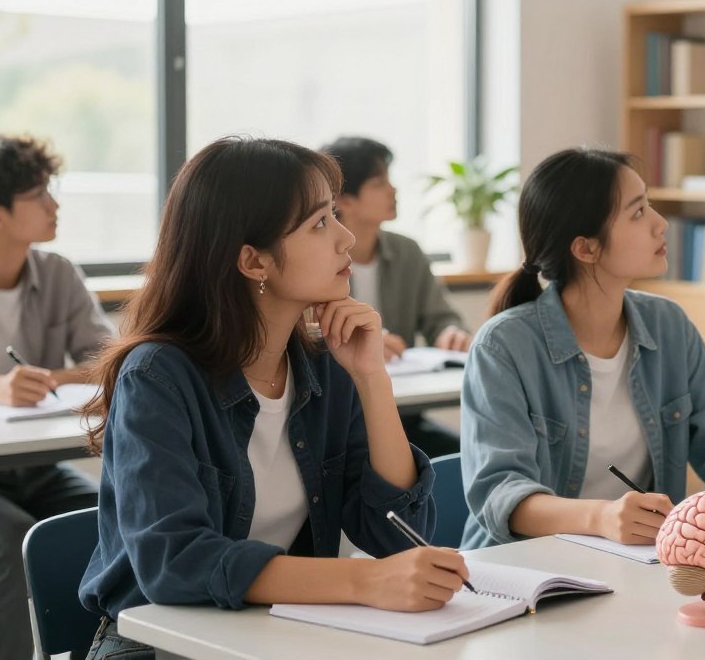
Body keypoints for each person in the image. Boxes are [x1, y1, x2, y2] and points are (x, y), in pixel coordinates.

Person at [78, 137, 466, 659]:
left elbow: (397, 537)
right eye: (321, 223)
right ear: (253, 262)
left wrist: (373, 381)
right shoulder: (158, 377)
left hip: (277, 633)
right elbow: (175, 563)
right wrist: (362, 583)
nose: (347, 238)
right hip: (156, 644)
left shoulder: (328, 364)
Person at [460, 148, 705, 550]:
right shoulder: (502, 346)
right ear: (586, 249)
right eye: (638, 212)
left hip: (635, 564)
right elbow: (499, 494)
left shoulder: (669, 327)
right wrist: (602, 517)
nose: (660, 223)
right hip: (527, 573)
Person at [0, 134, 113, 660]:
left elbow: (110, 359)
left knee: (112, 516)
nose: (54, 205)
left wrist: (55, 378)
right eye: (39, 194)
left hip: (34, 468)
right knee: (15, 541)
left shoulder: (57, 272)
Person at [321, 136, 471, 457]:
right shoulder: (316, 259)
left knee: (467, 456)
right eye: (379, 183)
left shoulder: (408, 251)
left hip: (404, 416)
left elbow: (440, 317)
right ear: (344, 199)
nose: (393, 190)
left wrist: (450, 332)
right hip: (339, 420)